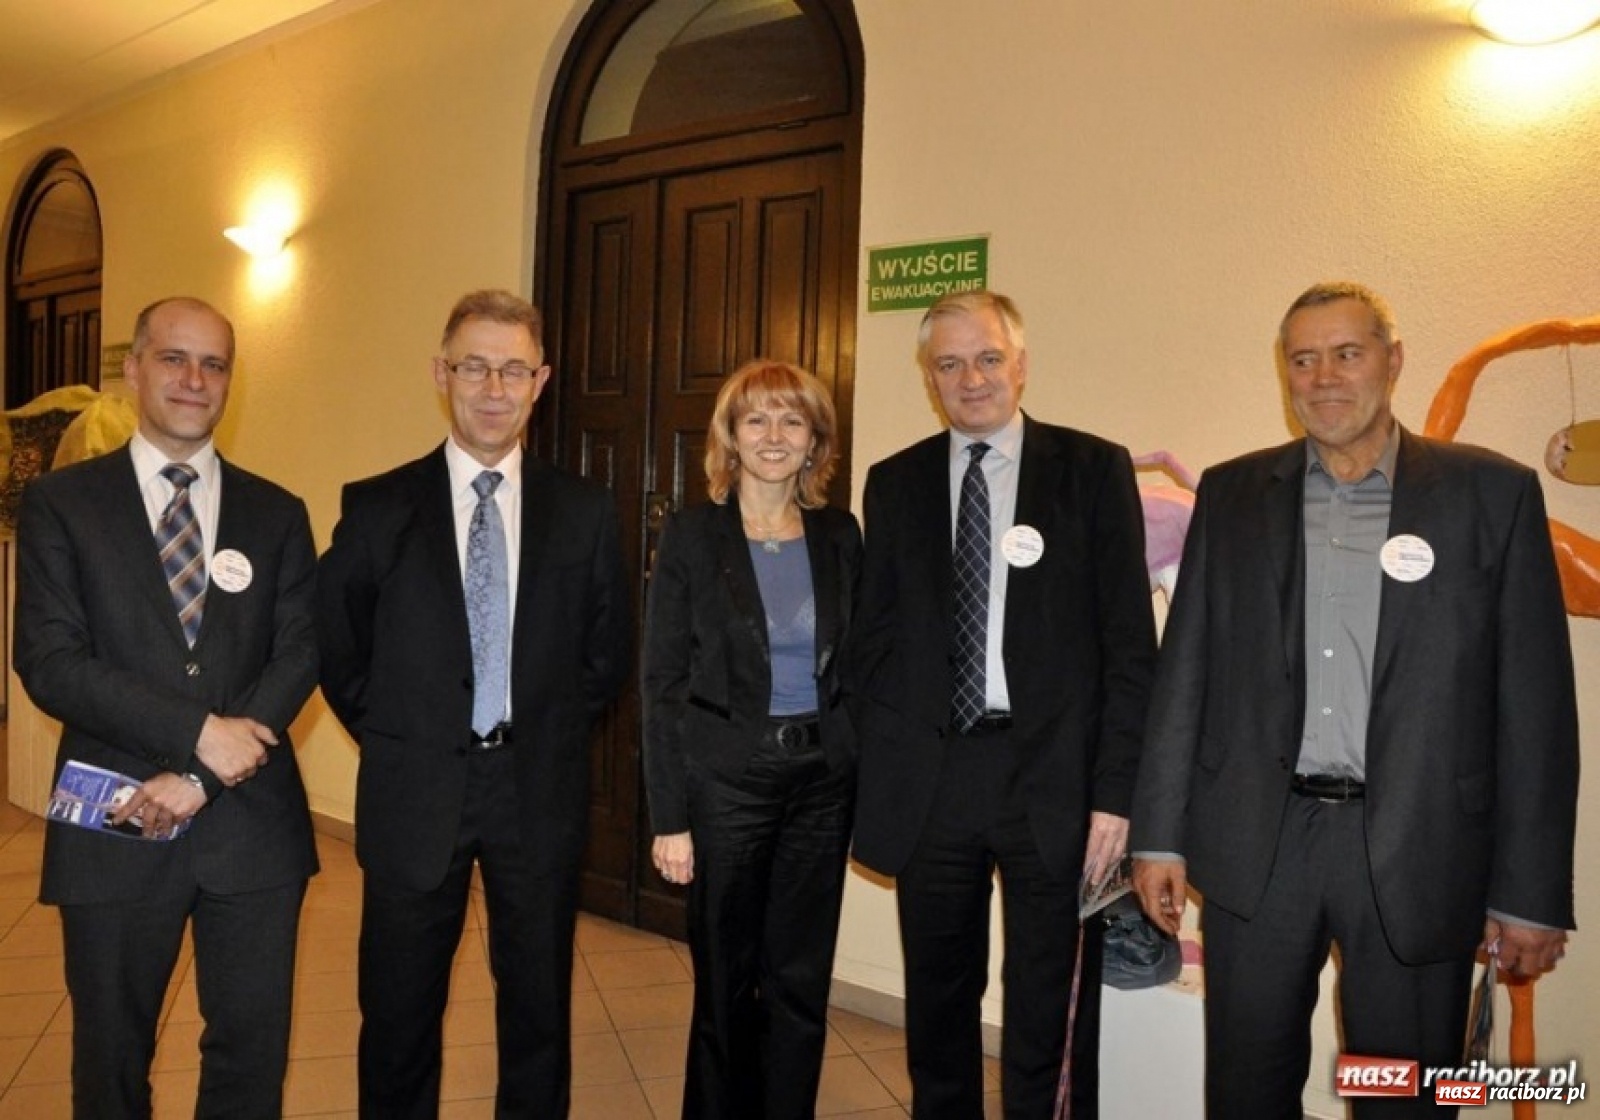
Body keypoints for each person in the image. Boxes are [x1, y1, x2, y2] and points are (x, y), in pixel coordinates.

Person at [1130, 281, 1579, 1118]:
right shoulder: (1232, 496)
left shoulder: (1492, 496)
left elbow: (1537, 712)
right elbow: (1183, 671)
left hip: (1419, 848)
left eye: (1347, 353)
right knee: (1246, 1091)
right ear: (1285, 372)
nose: (1324, 377)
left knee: (1397, 1097)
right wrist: (1158, 834)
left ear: (1393, 361)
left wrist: (1530, 891)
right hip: (1260, 847)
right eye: (1304, 359)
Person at [316, 289, 630, 1119]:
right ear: (441, 373)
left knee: (537, 1011)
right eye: (475, 366)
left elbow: (605, 656)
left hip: (536, 790)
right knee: (398, 1012)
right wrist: (401, 733)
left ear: (542, 381)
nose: (495, 388)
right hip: (415, 789)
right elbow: (339, 645)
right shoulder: (378, 506)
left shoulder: (584, 511)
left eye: (514, 369)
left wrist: (543, 735)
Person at [849, 290, 1157, 1118]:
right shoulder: (895, 483)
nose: (971, 377)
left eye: (988, 358)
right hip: (935, 780)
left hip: (1053, 783)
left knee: (1048, 1010)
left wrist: (1116, 797)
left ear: (1020, 365)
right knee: (939, 1008)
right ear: (929, 378)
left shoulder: (1093, 472)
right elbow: (873, 648)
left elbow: (1132, 651)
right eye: (948, 363)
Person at [14, 295, 320, 1118]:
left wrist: (204, 774)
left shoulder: (277, 512)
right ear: (135, 368)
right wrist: (194, 737)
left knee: (249, 1061)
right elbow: (49, 662)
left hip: (252, 828)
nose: (194, 379)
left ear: (231, 382)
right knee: (110, 1060)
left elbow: (300, 652)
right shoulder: (62, 505)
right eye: (175, 358)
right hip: (114, 820)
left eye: (214, 363)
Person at [642, 360, 862, 1120]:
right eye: (756, 419)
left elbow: (862, 664)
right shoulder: (694, 534)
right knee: (726, 984)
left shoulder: (840, 534)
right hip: (725, 785)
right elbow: (661, 680)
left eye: (792, 420)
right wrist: (670, 816)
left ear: (815, 442)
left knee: (801, 983)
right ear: (730, 437)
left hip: (820, 788)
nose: (774, 435)